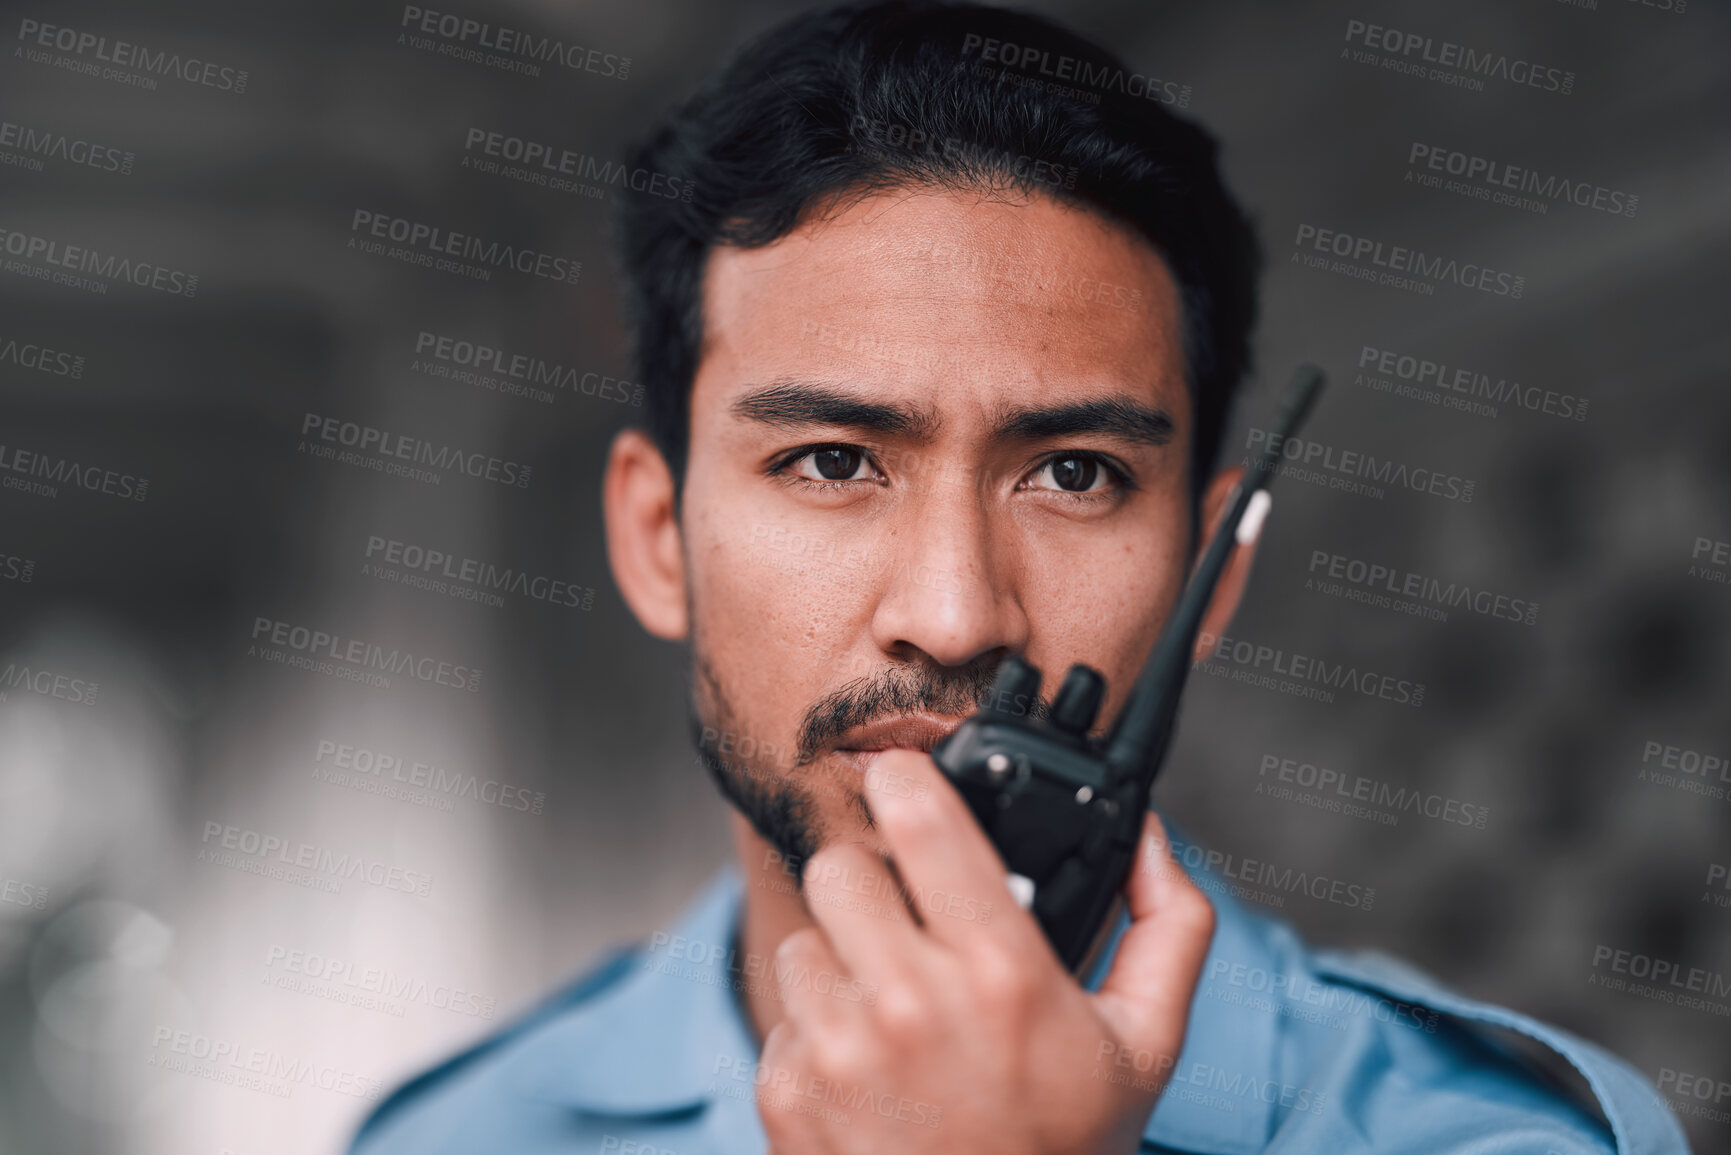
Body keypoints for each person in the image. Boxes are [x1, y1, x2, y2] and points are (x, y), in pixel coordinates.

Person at [348, 2, 1687, 1151]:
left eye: (1075, 475)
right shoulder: (458, 1136)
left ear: (1208, 583)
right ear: (657, 541)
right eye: (829, 461)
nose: (951, 615)